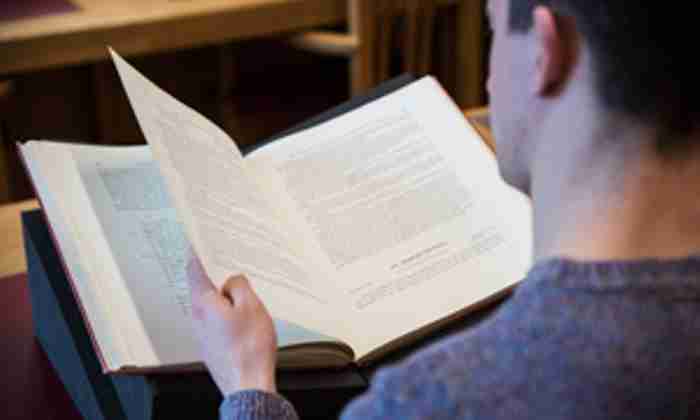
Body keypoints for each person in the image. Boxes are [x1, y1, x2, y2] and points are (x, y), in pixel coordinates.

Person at [187, 0, 700, 418]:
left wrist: (249, 389)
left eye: (493, 31)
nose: (490, 85)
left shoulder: (430, 402)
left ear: (546, 51)